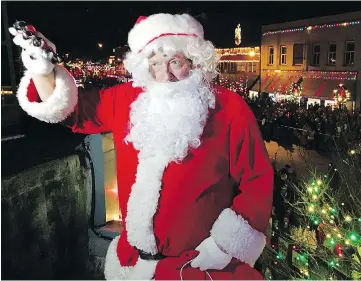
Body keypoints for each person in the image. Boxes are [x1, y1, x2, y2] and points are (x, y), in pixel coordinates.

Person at [10, 13, 273, 280]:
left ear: (193, 61)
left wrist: (223, 246)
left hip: (201, 267)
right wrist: (42, 70)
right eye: (156, 64)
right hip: (134, 265)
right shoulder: (126, 99)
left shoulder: (228, 107)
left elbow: (257, 180)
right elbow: (69, 111)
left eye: (175, 62)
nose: (166, 75)